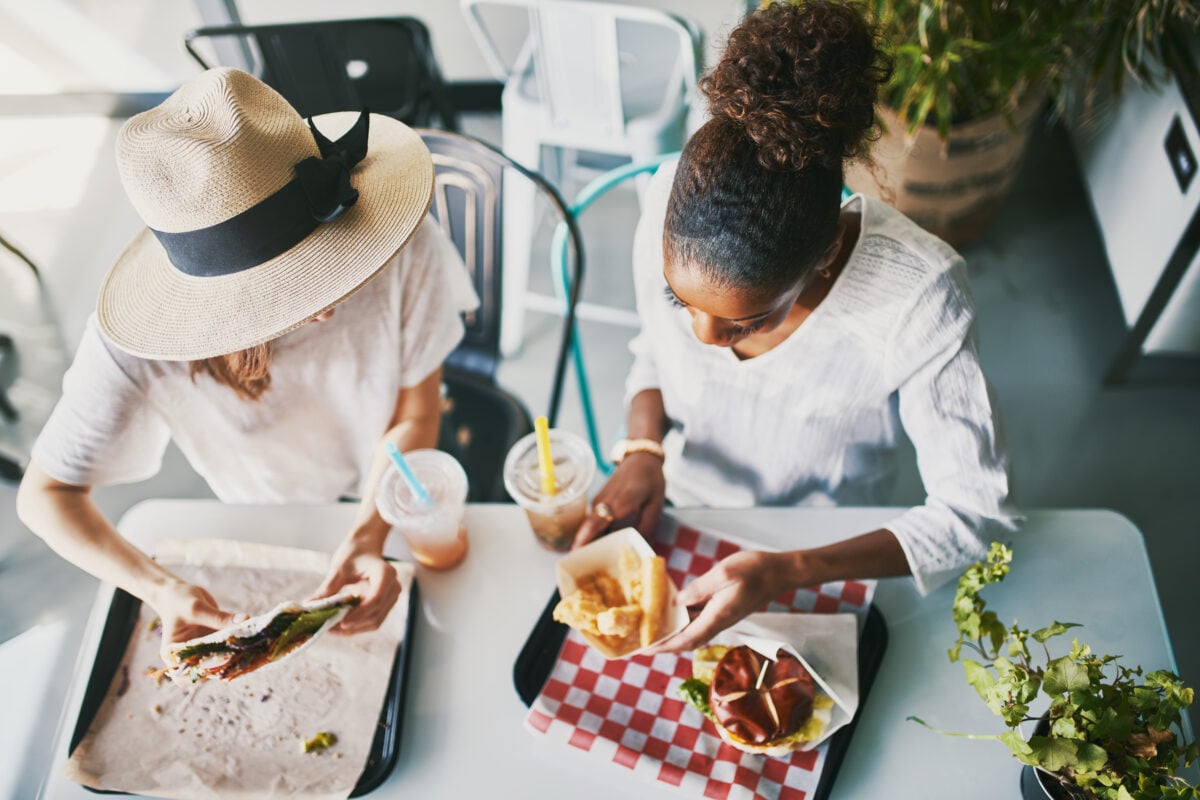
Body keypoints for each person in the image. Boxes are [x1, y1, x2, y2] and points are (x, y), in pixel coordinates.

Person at [574, 1, 1021, 651]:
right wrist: (643, 450)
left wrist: (792, 569)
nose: (703, 338)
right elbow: (653, 355)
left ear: (827, 258)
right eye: (682, 303)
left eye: (745, 321)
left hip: (828, 542)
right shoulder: (673, 201)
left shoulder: (920, 298)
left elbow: (976, 515)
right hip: (684, 507)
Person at [15, 68, 476, 658]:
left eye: (332, 256)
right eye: (289, 285)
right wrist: (160, 588)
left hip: (382, 488)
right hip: (263, 511)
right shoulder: (140, 341)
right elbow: (45, 496)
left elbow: (417, 407)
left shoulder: (401, 242)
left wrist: (368, 531)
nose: (325, 300)